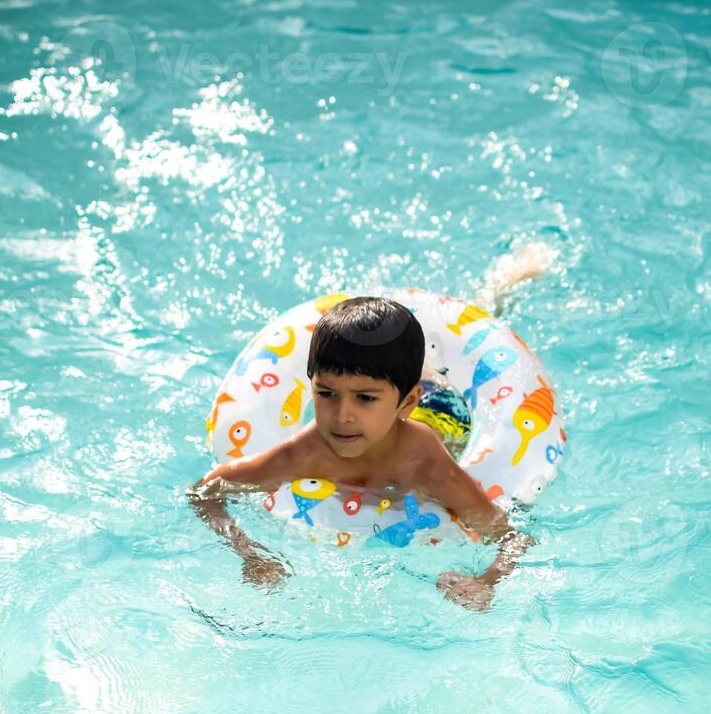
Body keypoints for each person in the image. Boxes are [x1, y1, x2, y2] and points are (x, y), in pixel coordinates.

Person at [187, 242, 554, 612]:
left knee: (477, 323)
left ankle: (505, 284)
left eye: (364, 398)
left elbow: (510, 537)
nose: (342, 415)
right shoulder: (308, 451)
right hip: (399, 401)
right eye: (327, 394)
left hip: (441, 411)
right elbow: (205, 493)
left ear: (405, 403)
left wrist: (486, 582)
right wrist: (250, 553)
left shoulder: (423, 462)